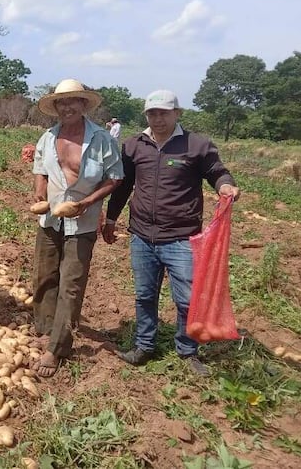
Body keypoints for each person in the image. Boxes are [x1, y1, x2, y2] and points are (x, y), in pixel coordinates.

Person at [103, 90, 241, 376]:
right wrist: (111, 219)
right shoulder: (133, 145)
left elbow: (216, 171)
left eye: (164, 113)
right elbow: (124, 186)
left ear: (177, 113)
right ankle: (144, 345)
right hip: (141, 234)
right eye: (152, 113)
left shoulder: (196, 145)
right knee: (144, 295)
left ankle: (187, 350)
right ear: (146, 116)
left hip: (181, 237)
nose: (158, 119)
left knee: (187, 299)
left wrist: (225, 185)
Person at [30, 79, 123, 376]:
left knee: (71, 282)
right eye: (61, 102)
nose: (67, 106)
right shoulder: (47, 136)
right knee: (45, 275)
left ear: (84, 105)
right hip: (50, 218)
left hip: (82, 222)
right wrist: (39, 194)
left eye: (73, 101)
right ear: (55, 107)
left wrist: (89, 203)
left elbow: (114, 178)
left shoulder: (102, 139)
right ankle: (46, 328)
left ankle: (57, 348)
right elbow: (41, 170)